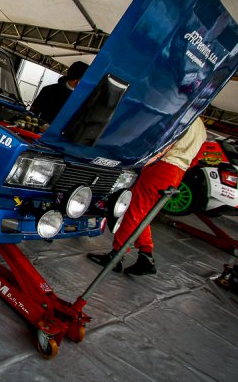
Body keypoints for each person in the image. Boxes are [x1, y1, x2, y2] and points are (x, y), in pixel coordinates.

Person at [87, 116, 208, 276]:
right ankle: (146, 255)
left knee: (133, 211)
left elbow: (161, 143)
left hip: (161, 168)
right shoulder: (202, 129)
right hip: (177, 173)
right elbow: (195, 159)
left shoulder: (183, 115)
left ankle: (116, 257)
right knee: (144, 214)